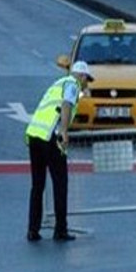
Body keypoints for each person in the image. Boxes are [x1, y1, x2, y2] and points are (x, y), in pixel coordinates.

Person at [24, 61, 94, 242]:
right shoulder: (72, 85)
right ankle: (60, 230)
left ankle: (33, 229)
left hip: (34, 135)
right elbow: (66, 105)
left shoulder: (58, 84)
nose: (87, 83)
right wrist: (63, 131)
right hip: (52, 137)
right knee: (60, 183)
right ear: (82, 76)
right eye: (87, 79)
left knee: (37, 185)